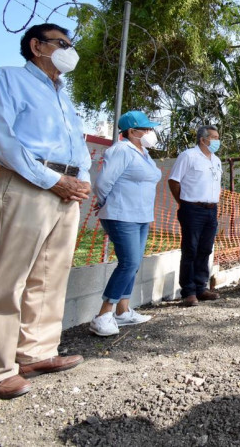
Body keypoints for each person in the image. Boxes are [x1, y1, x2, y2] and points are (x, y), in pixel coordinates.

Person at [0, 23, 92, 399]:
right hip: (26, 185)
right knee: (7, 280)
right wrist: (51, 179)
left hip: (66, 192)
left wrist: (82, 178)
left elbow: (77, 144)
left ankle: (36, 353)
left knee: (50, 276)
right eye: (62, 43)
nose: (69, 51)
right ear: (36, 46)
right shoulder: (8, 80)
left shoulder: (63, 95)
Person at [89, 111, 162, 337]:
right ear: (132, 131)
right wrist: (103, 202)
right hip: (121, 215)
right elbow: (103, 182)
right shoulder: (121, 150)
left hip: (140, 216)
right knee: (128, 263)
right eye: (146, 129)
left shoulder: (144, 153)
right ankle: (103, 315)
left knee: (134, 263)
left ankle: (123, 311)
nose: (151, 133)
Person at [168, 125, 222, 306]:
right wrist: (183, 202)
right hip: (192, 208)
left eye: (217, 137)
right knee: (190, 249)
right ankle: (188, 291)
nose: (217, 141)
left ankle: (201, 287)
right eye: (214, 137)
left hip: (211, 209)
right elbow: (173, 181)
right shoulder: (188, 156)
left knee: (205, 249)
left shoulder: (216, 160)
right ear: (203, 139)